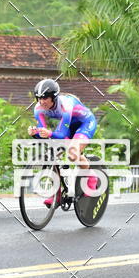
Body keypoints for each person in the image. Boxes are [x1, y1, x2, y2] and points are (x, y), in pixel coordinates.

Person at [28, 78, 98, 206]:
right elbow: (44, 135)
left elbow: (62, 135)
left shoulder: (66, 105)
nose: (41, 101)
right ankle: (57, 194)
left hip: (85, 123)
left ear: (53, 97)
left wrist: (49, 133)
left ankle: (91, 176)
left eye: (45, 98)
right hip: (69, 125)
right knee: (53, 155)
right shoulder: (38, 108)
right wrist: (35, 133)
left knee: (72, 153)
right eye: (38, 98)